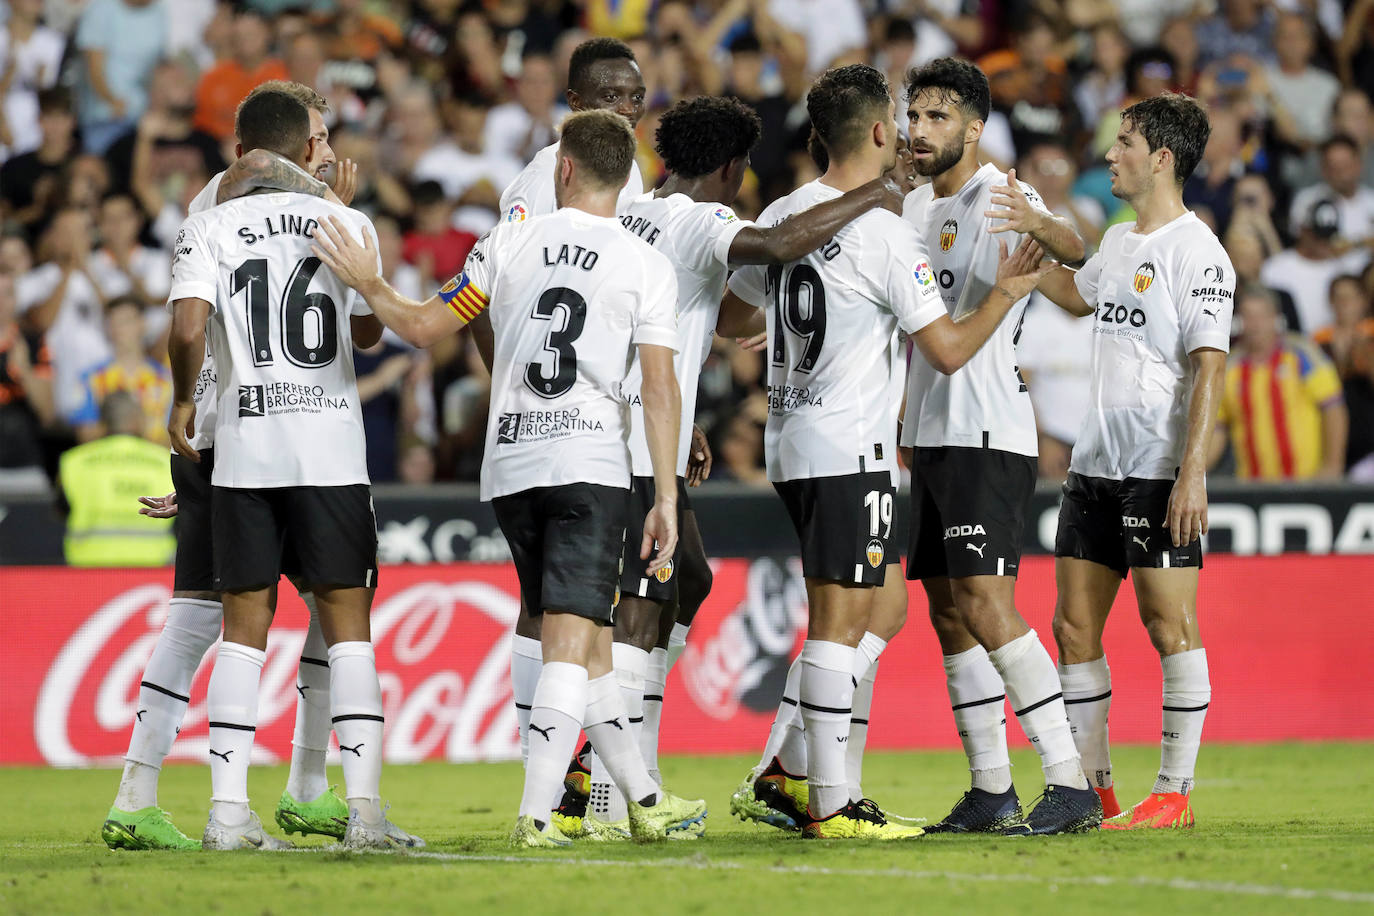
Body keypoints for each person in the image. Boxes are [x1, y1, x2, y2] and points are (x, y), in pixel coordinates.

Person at [309, 108, 709, 846]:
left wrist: (370, 282)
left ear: (563, 169)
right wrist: (664, 494)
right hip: (589, 464)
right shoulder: (644, 263)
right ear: (627, 180)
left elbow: (426, 326)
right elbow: (660, 388)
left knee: (585, 646)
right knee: (572, 637)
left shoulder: (507, 242)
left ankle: (646, 797)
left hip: (513, 463)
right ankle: (536, 812)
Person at [724, 64, 1055, 839]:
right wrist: (1006, 294)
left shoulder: (786, 210)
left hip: (791, 437)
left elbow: (741, 302)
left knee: (889, 606)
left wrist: (781, 324)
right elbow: (944, 350)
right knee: (840, 623)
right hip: (851, 446)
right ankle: (828, 803)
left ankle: (786, 764)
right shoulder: (885, 230)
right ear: (880, 132)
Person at [587, 95, 903, 837]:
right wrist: (875, 195)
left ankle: (634, 779)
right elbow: (780, 243)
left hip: (632, 428)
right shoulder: (703, 218)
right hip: (629, 445)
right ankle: (607, 796)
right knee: (637, 613)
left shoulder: (638, 214)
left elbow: (698, 316)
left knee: (686, 579)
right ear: (728, 167)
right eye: (742, 173)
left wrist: (685, 410)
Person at [101, 81, 358, 852]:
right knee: (241, 611)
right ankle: (155, 793)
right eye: (315, 135)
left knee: (309, 604)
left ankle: (295, 786)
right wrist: (335, 203)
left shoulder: (248, 193)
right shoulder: (242, 187)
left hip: (233, 428)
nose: (323, 149)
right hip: (241, 433)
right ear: (281, 140)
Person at [167, 87, 419, 851]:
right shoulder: (346, 220)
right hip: (329, 453)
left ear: (243, 150)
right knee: (348, 630)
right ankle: (364, 812)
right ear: (307, 149)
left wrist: (184, 400)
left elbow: (186, 326)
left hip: (245, 451)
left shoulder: (206, 224)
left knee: (244, 631)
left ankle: (226, 813)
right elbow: (372, 330)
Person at [896, 57, 1102, 836]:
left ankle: (1068, 778)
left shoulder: (1002, 197)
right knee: (949, 612)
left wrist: (1044, 230)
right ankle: (990, 789)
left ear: (976, 129)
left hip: (989, 429)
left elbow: (1075, 263)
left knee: (986, 601)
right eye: (915, 116)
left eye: (939, 117)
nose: (920, 130)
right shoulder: (914, 206)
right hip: (931, 430)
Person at [1035, 92, 1236, 830]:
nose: (1109, 154)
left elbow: (1210, 369)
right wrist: (1032, 258)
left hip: (1157, 467)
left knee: (1167, 623)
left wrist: (1194, 472)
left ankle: (1175, 792)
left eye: (1123, 142)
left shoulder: (1198, 251)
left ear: (1162, 158)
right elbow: (1080, 297)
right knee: (1072, 629)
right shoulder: (1118, 241)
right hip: (1094, 463)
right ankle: (1096, 792)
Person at [498, 37, 647, 224]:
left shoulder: (631, 169)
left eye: (637, 97)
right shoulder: (546, 174)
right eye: (611, 96)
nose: (628, 108)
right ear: (576, 102)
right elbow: (507, 250)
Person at [1210, 285, 1348, 481]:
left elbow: (1333, 409)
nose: (1255, 324)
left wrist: (1333, 465)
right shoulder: (1229, 367)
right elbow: (1218, 429)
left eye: (1262, 315)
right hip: (1252, 487)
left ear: (1276, 318)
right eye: (1248, 316)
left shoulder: (1303, 354)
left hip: (1307, 482)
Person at [58, 391, 174, 567]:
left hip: (87, 568)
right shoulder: (165, 461)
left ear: (102, 423)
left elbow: (60, 510)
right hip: (153, 566)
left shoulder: (74, 461)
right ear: (137, 419)